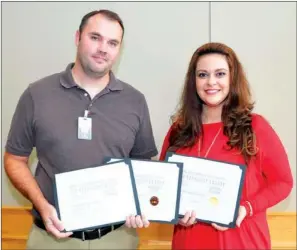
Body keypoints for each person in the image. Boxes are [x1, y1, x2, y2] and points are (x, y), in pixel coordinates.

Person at [4, 9, 158, 250]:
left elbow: (142, 167)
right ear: (78, 37)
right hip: (51, 239)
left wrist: (141, 205)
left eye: (112, 42)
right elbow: (14, 159)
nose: (103, 48)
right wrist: (42, 205)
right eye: (95, 37)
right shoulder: (37, 94)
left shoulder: (135, 101)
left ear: (119, 49)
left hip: (117, 239)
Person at [159, 42, 293, 250]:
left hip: (242, 242)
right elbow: (164, 188)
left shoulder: (255, 127)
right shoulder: (179, 131)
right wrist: (174, 213)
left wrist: (246, 208)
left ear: (232, 78)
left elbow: (283, 182)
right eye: (202, 75)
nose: (211, 82)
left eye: (220, 74)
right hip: (189, 242)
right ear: (193, 81)